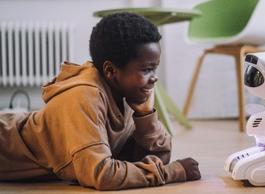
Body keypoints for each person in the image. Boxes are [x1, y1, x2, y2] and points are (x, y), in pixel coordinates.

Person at [0, 12, 201, 190]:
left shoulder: (126, 94)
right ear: (111, 71)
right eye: (146, 69)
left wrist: (145, 116)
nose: (154, 77)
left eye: (155, 68)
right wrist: (173, 173)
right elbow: (102, 175)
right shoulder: (83, 96)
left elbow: (155, 160)